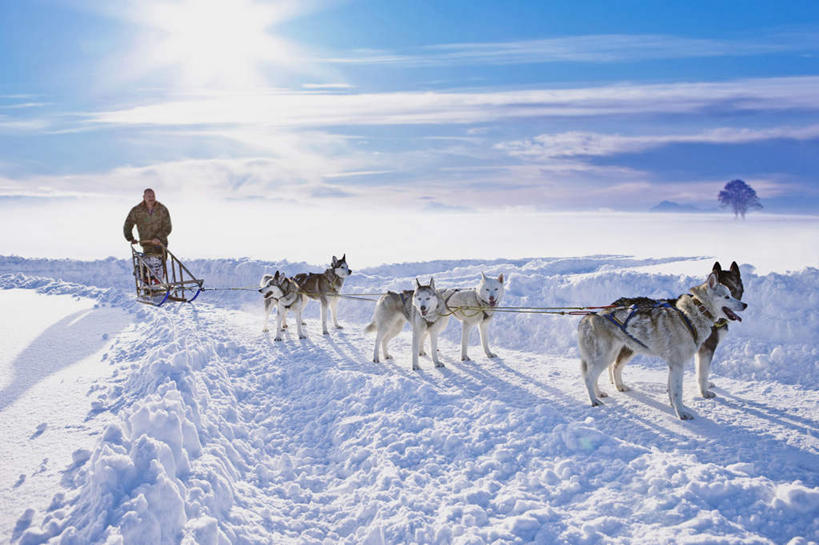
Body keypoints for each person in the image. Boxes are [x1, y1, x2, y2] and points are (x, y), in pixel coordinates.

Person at [124, 188, 172, 283]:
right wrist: (130, 238)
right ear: (144, 197)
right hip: (147, 244)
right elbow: (128, 224)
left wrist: (158, 238)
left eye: (153, 196)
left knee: (160, 266)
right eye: (149, 196)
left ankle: (158, 286)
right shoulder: (137, 210)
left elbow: (168, 227)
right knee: (148, 266)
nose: (151, 198)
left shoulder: (162, 209)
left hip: (160, 243)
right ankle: (148, 288)